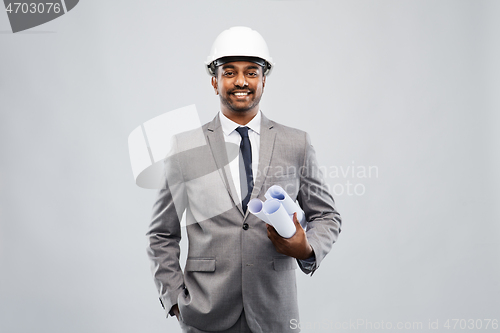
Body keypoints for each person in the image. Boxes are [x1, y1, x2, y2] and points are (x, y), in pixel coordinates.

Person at [147, 26, 341, 333]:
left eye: (251, 72)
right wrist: (173, 299)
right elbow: (161, 233)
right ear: (215, 81)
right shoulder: (185, 148)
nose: (240, 81)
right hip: (204, 314)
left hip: (275, 313)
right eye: (229, 72)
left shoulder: (297, 144)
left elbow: (327, 216)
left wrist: (306, 249)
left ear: (264, 79)